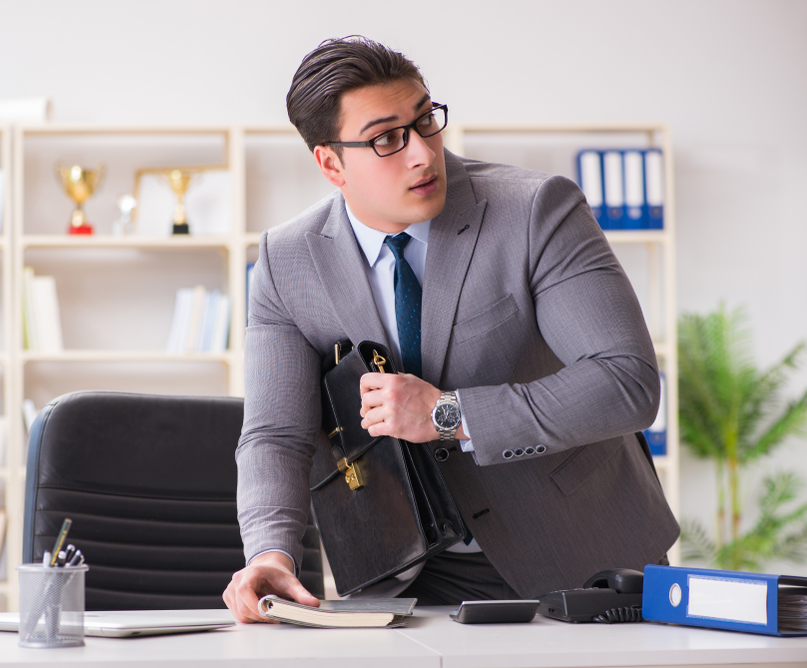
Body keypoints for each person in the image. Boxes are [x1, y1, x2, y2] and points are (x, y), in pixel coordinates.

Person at [223, 36, 679, 623]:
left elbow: (626, 383)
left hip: (578, 553)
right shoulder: (287, 263)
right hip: (402, 576)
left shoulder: (537, 211)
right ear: (331, 163)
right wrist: (270, 551)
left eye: (425, 121)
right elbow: (274, 435)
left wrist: (448, 413)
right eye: (387, 138)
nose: (422, 153)